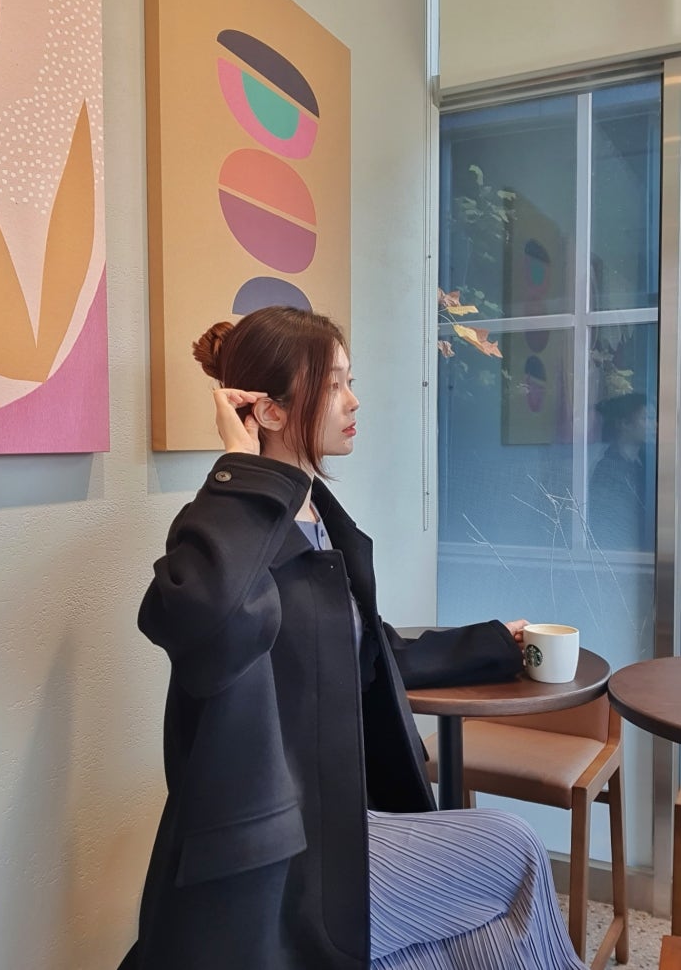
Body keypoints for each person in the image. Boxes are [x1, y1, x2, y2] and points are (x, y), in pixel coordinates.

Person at [119, 306, 586, 970]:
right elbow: (202, 620)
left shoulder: (317, 519)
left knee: (460, 943)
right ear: (270, 411)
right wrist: (238, 466)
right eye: (334, 384)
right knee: (514, 848)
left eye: (349, 381)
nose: (353, 400)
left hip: (337, 820)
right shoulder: (230, 529)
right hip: (282, 859)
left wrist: (491, 642)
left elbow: (366, 652)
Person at [589, 391, 655, 550]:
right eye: (647, 418)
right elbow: (604, 524)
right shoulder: (608, 470)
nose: (655, 425)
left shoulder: (646, 462)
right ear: (624, 424)